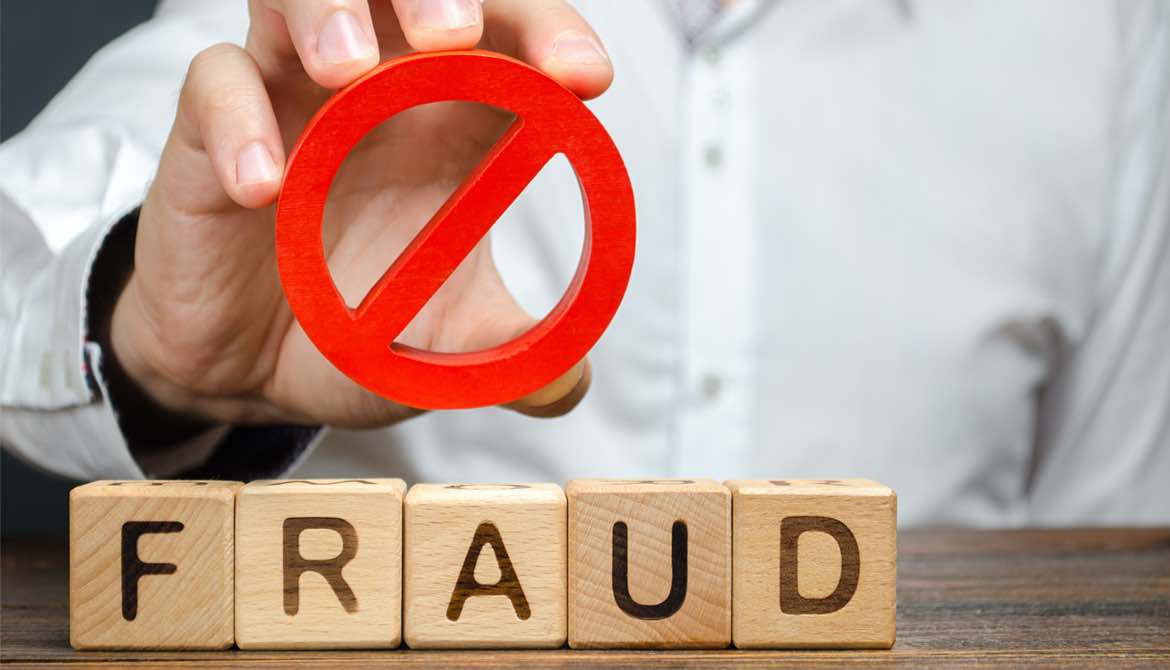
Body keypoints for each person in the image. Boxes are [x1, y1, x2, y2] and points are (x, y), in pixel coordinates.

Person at [2, 0, 1167, 526]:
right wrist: (153, 343)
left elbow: (1115, 554)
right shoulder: (359, 17)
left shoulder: (1102, 33)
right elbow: (19, 256)